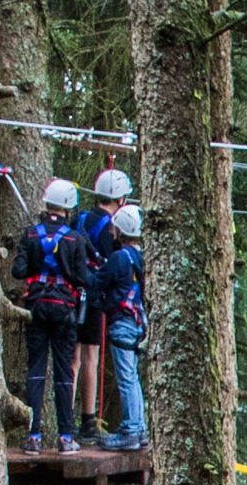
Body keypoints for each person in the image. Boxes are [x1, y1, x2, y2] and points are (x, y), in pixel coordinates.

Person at [13, 177, 91, 449]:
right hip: (64, 311)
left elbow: (18, 271)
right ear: (69, 208)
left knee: (35, 370)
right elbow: (82, 279)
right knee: (63, 372)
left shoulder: (31, 234)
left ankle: (33, 436)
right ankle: (65, 436)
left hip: (35, 307)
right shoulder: (75, 239)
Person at [73, 166, 133, 440]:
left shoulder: (81, 219)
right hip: (94, 298)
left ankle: (66, 420)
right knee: (90, 356)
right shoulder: (109, 230)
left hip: (71, 293)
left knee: (72, 357)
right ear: (120, 200)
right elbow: (113, 266)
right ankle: (87, 420)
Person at [96, 203, 150, 448]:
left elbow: (98, 281)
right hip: (136, 323)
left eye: (115, 228)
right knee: (132, 376)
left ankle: (131, 430)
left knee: (126, 376)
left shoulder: (119, 258)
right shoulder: (139, 258)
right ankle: (138, 428)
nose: (112, 232)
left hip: (123, 323)